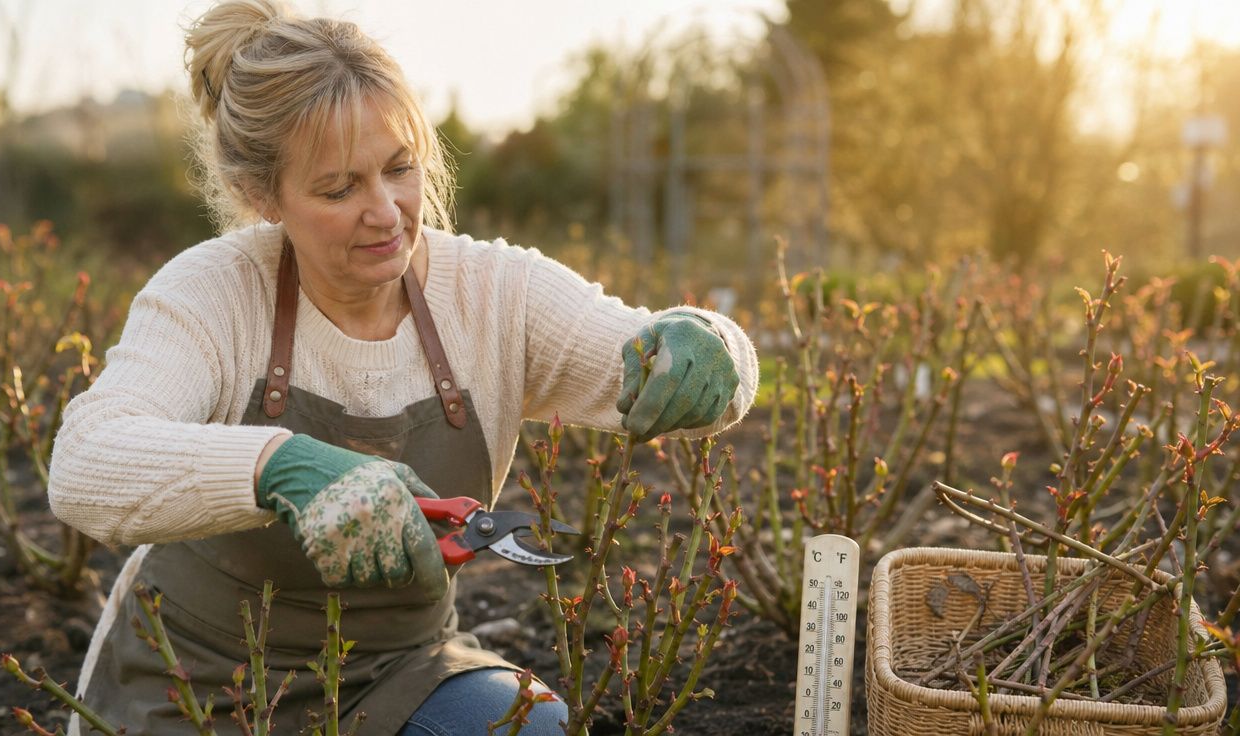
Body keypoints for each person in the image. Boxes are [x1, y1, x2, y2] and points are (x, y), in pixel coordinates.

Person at [48, 1, 758, 733]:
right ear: (262, 197)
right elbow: (85, 463)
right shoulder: (212, 294)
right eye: (338, 188)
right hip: (193, 683)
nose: (386, 212)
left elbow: (652, 353)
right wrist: (275, 466)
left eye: (399, 169)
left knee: (526, 726)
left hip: (398, 675)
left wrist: (712, 346)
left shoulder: (493, 293)